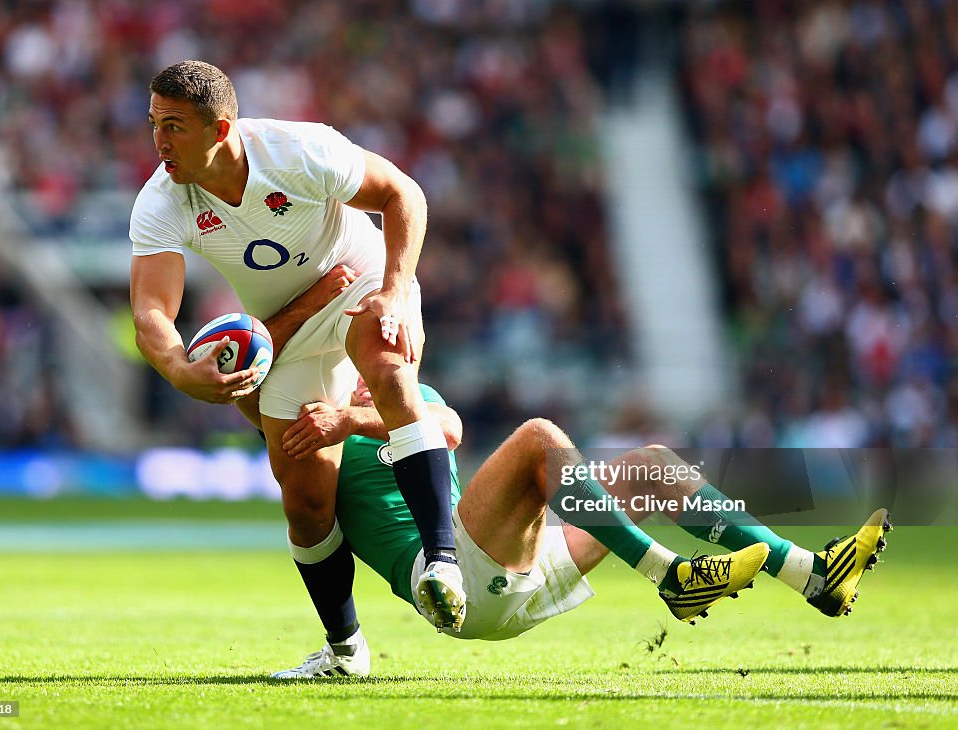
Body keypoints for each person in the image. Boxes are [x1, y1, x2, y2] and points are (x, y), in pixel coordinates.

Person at [128, 60, 467, 662]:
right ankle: (345, 649)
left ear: (222, 130)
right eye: (154, 123)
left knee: (389, 370)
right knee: (305, 499)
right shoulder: (162, 198)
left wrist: (394, 287)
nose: (159, 142)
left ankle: (443, 562)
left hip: (362, 280)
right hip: (292, 330)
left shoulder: (298, 149)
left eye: (174, 126)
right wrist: (181, 368)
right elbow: (152, 310)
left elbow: (401, 193)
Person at [266, 378, 891, 678]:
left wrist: (350, 418)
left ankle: (813, 575)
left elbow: (447, 429)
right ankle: (670, 574)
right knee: (539, 440)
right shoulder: (308, 429)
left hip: (516, 568)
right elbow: (315, 530)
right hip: (454, 585)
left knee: (654, 466)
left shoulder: (393, 395)